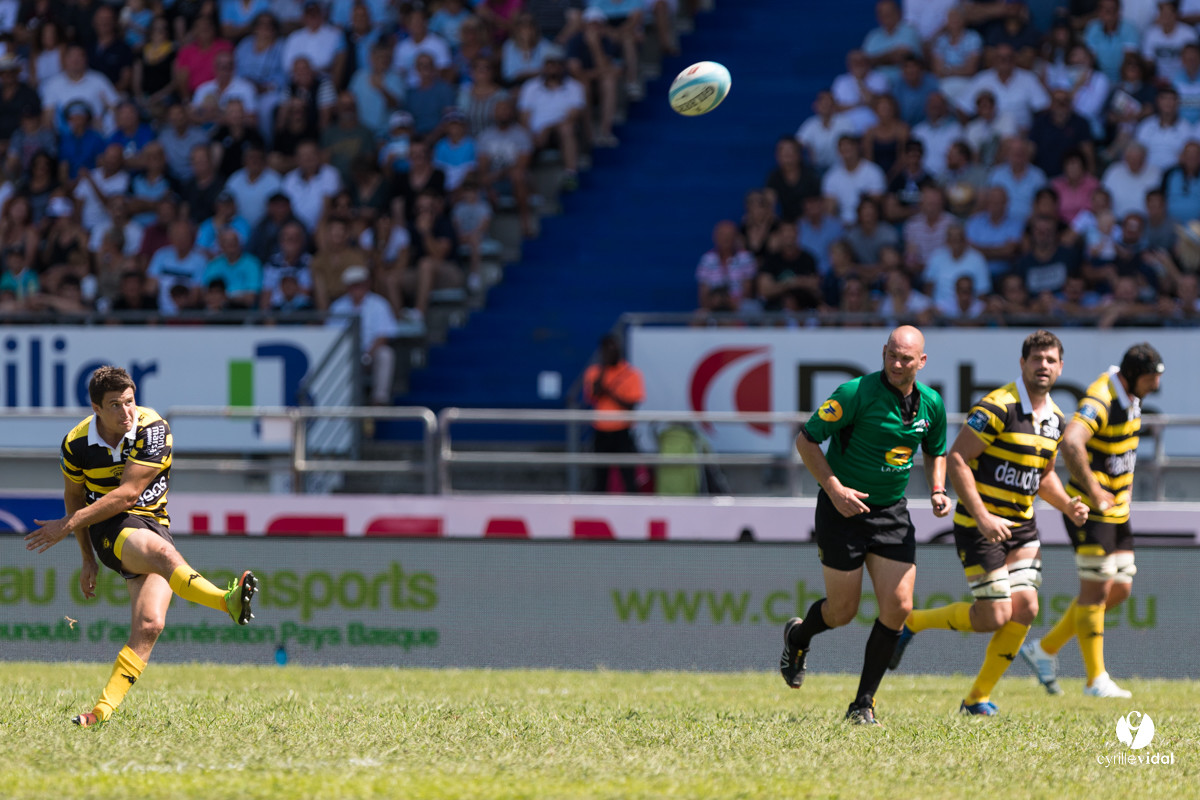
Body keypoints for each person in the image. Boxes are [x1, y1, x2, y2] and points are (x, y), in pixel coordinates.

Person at [24, 366, 258, 728]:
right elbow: (74, 496)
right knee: (164, 557)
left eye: (130, 401)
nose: (126, 412)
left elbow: (129, 493)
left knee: (150, 624)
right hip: (108, 527)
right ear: (95, 408)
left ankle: (100, 712)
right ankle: (227, 602)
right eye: (115, 405)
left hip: (151, 523)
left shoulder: (153, 429)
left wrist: (66, 526)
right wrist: (87, 557)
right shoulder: (76, 445)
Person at [889, 330, 1088, 715]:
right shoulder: (997, 407)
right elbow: (957, 458)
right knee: (995, 615)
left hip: (1021, 527)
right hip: (978, 524)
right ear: (1022, 364)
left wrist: (1067, 504)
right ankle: (913, 621)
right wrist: (982, 516)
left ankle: (976, 699)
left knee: (1026, 607)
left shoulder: (1056, 420)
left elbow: (1043, 476)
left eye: (1050, 360)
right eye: (1036, 359)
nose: (1043, 366)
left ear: (1061, 367)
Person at [781, 326, 951, 726]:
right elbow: (806, 441)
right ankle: (798, 637)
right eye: (891, 354)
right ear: (883, 352)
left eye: (905, 358)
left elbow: (936, 449)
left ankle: (863, 704)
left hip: (891, 513)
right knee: (842, 611)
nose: (896, 363)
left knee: (899, 607)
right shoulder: (854, 393)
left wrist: (939, 489)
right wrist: (835, 488)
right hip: (843, 511)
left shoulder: (932, 404)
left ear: (921, 362)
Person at [1021, 344, 1164, 699]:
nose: (1156, 385)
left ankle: (1045, 648)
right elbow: (1071, 442)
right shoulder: (1101, 397)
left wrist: (1123, 488)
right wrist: (1095, 490)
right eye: (1151, 378)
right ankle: (1095, 679)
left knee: (1120, 588)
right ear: (1133, 375)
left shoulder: (1131, 394)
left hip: (1117, 510)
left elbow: (1125, 450)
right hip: (1090, 509)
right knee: (1096, 591)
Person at [582, 333, 645, 493]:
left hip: (622, 431)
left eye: (613, 349)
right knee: (600, 476)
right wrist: (604, 369)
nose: (610, 353)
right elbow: (593, 395)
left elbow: (631, 405)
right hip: (601, 431)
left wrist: (609, 392)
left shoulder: (631, 373)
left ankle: (633, 508)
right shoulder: (594, 372)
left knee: (628, 476)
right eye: (606, 351)